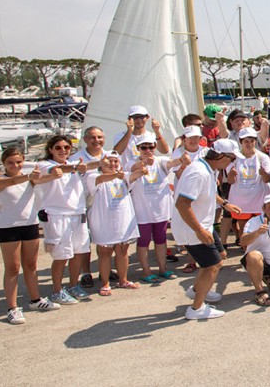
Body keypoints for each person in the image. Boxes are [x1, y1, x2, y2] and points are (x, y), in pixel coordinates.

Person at [172, 139, 242, 320]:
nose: (232, 162)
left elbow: (209, 192)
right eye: (232, 158)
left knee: (220, 257)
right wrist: (199, 231)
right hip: (193, 228)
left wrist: (225, 204)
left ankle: (197, 290)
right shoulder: (199, 173)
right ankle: (196, 309)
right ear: (221, 156)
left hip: (204, 225)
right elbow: (182, 203)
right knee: (213, 265)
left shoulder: (208, 169)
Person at [0, 148, 60, 324]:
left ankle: (35, 300)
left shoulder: (31, 179)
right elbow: (14, 180)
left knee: (31, 265)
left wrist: (57, 172)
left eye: (19, 162)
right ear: (4, 163)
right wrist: (29, 176)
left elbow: (48, 177)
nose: (15, 165)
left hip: (30, 226)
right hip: (9, 229)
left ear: (23, 161)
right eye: (10, 163)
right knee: (13, 269)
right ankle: (12, 308)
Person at [30, 135, 91, 305]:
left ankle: (73, 285)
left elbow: (84, 168)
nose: (63, 150)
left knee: (78, 252)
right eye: (58, 147)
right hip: (56, 215)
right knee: (61, 256)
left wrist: (84, 166)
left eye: (66, 147)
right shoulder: (45, 165)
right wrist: (74, 167)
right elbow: (55, 171)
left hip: (78, 213)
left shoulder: (76, 166)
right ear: (50, 149)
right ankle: (57, 291)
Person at [127, 135, 185, 283]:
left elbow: (171, 163)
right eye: (144, 147)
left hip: (161, 210)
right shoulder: (132, 162)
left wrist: (181, 159)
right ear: (138, 149)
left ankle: (163, 268)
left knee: (161, 240)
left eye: (151, 147)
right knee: (144, 241)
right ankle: (146, 271)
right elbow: (132, 169)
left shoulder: (160, 161)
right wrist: (144, 163)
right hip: (142, 211)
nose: (148, 150)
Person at [86, 151, 140, 296]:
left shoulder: (123, 177)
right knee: (105, 253)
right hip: (104, 223)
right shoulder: (93, 177)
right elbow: (100, 179)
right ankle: (105, 283)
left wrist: (142, 169)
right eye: (109, 161)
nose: (113, 164)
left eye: (116, 161)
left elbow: (133, 176)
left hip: (123, 220)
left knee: (123, 251)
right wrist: (116, 175)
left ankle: (123, 280)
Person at [69, 126, 106, 289]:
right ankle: (86, 273)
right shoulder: (76, 158)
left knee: (104, 239)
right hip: (83, 203)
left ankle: (106, 270)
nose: (96, 140)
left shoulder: (110, 155)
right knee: (85, 241)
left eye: (99, 137)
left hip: (104, 204)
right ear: (85, 140)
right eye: (92, 137)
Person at [226, 128, 270, 246]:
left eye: (252, 141)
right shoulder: (234, 158)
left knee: (262, 224)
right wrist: (231, 175)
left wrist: (263, 174)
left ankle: (263, 248)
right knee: (243, 225)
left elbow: (267, 179)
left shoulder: (263, 157)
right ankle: (246, 250)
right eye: (246, 141)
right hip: (241, 200)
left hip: (259, 198)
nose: (249, 144)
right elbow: (231, 181)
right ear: (241, 142)